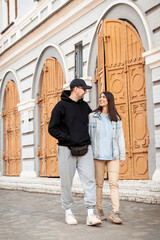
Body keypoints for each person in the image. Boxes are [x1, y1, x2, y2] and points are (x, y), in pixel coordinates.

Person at [48, 78, 101, 226]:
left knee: (89, 180)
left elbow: (93, 122)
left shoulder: (85, 106)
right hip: (66, 149)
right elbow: (52, 128)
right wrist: (67, 138)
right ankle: (68, 212)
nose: (85, 91)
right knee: (66, 182)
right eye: (83, 89)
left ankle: (91, 214)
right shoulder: (60, 106)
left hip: (85, 148)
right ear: (75, 89)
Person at [89, 91, 125, 224]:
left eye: (103, 97)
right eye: (100, 97)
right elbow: (88, 136)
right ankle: (99, 210)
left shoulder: (116, 118)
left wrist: (122, 156)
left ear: (109, 100)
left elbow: (120, 138)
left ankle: (115, 212)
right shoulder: (92, 116)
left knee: (114, 183)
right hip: (97, 155)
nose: (100, 99)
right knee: (98, 184)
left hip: (113, 156)